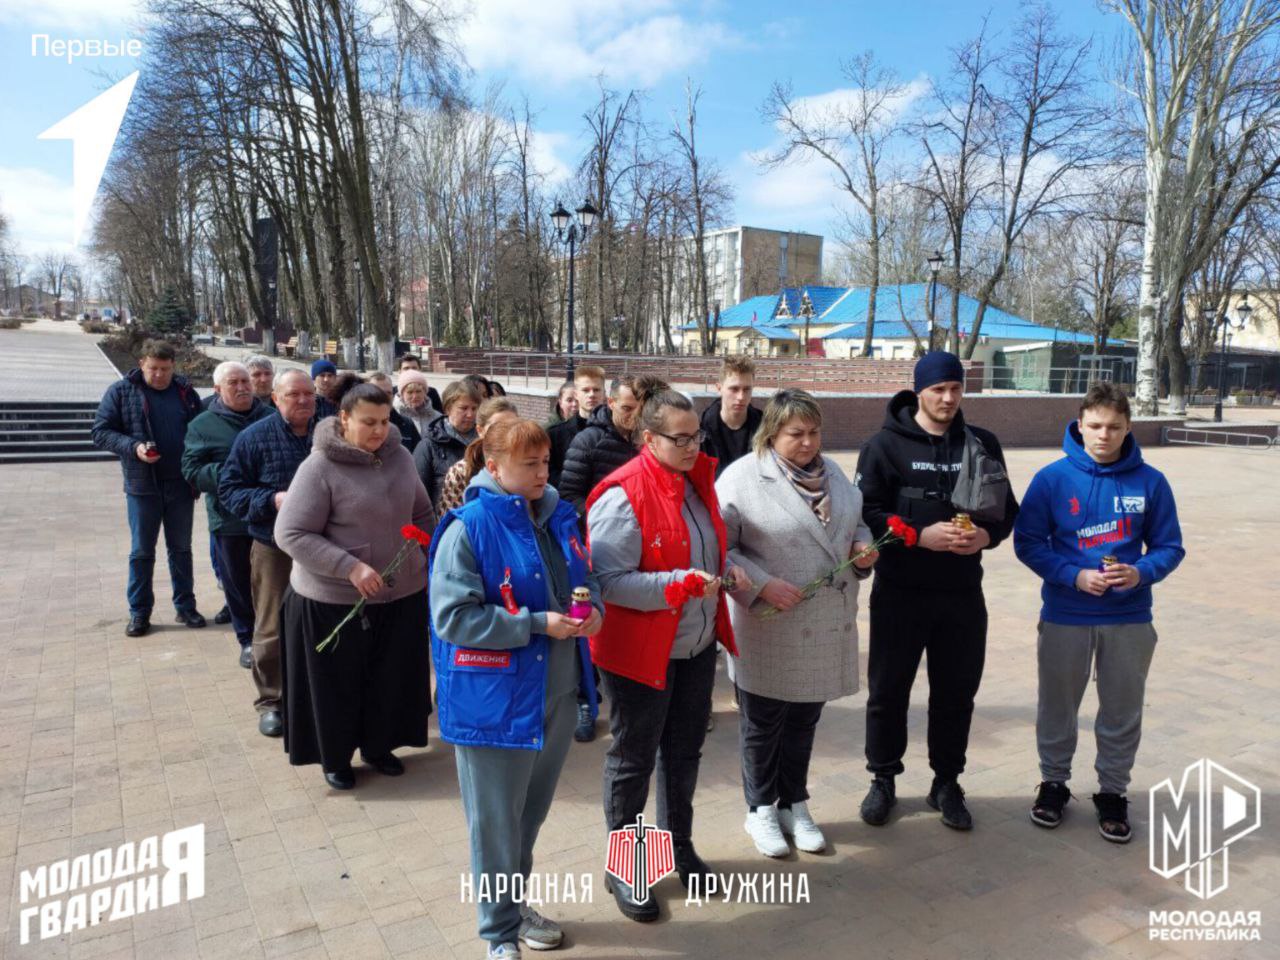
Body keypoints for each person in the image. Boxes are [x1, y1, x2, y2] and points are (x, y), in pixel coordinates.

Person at [430, 419, 603, 960]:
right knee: (495, 825)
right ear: (494, 466)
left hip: (552, 693)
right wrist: (534, 624)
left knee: (527, 816)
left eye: (546, 461)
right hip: (496, 702)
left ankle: (512, 905)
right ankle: (498, 933)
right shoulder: (471, 526)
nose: (542, 472)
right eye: (530, 464)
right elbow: (452, 617)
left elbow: (584, 578)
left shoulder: (556, 516)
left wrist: (591, 612)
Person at [586, 389, 751, 921]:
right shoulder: (623, 494)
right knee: (634, 759)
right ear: (647, 438)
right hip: (639, 653)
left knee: (683, 754)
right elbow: (607, 581)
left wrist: (729, 571)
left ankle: (678, 848)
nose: (690, 446)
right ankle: (627, 867)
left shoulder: (697, 482)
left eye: (695, 436)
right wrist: (676, 584)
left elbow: (704, 550)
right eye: (678, 439)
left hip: (694, 645)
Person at [854, 351, 1019, 831]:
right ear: (919, 391)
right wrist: (916, 535)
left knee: (956, 693)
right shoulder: (883, 446)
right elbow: (866, 513)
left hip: (961, 594)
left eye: (956, 389)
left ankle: (946, 781)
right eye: (938, 389)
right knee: (887, 692)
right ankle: (882, 778)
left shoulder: (980, 443)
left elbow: (1007, 510)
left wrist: (985, 537)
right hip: (900, 592)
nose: (948, 398)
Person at [1014, 382, 1184, 843]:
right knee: (1058, 706)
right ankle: (1053, 784)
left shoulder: (1151, 481)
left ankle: (1113, 791)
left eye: (1113, 427)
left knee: (1122, 710)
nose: (1103, 435)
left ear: (1128, 427)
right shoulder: (1052, 479)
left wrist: (1141, 572)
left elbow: (1170, 546)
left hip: (1129, 616)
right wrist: (1073, 576)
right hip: (1067, 614)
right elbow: (1028, 543)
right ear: (1079, 424)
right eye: (1094, 426)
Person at [717, 389, 877, 857]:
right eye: (795, 434)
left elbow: (857, 523)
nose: (808, 443)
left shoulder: (833, 474)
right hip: (770, 623)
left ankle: (794, 802)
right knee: (763, 722)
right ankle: (760, 808)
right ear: (772, 434)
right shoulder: (743, 478)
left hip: (824, 621)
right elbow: (719, 549)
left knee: (804, 719)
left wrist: (862, 550)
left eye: (814, 432)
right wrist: (762, 584)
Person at [276, 374, 435, 790]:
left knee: (388, 677)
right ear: (344, 419)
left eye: (384, 421)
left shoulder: (400, 457)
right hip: (334, 600)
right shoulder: (320, 466)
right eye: (369, 422)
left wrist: (421, 553)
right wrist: (349, 566)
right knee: (338, 684)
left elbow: (420, 513)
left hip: (399, 593)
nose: (379, 431)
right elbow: (291, 534)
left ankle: (380, 746)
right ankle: (337, 757)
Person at [218, 369, 319, 738]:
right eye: (294, 395)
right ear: (275, 398)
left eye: (309, 394)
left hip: (325, 545)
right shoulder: (253, 438)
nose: (304, 400)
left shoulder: (330, 433)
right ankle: (272, 701)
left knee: (322, 620)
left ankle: (314, 692)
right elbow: (229, 491)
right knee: (272, 625)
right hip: (274, 545)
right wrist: (272, 500)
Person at [91, 339, 206, 637]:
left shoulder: (185, 392)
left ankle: (185, 606)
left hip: (181, 485)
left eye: (165, 369)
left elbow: (199, 430)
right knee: (142, 552)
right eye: (153, 368)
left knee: (181, 549)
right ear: (142, 363)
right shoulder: (121, 391)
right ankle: (140, 612)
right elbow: (101, 432)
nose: (159, 375)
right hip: (143, 486)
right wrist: (134, 447)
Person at [181, 362, 274, 667]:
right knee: (238, 582)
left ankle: (274, 636)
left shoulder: (272, 416)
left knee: (273, 582)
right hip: (230, 519)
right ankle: (247, 639)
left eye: (245, 381)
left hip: (271, 516)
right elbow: (192, 470)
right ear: (218, 389)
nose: (243, 387)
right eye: (234, 382)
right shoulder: (202, 425)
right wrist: (231, 471)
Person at [559, 375, 666, 514]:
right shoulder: (588, 441)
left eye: (640, 409)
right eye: (627, 408)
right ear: (611, 403)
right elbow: (569, 495)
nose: (635, 416)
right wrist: (603, 520)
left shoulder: (651, 439)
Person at [436, 397, 519, 513]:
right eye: (497, 427)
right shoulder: (461, 471)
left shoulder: (527, 465)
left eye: (512, 427)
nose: (506, 433)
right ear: (480, 431)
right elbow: (452, 520)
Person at [414, 380, 482, 507]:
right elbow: (419, 495)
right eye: (463, 408)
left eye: (474, 408)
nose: (470, 414)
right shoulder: (428, 446)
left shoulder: (484, 442)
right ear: (448, 409)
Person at [701, 355, 763, 479]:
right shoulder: (701, 432)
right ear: (719, 388)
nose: (741, 397)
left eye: (747, 389)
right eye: (734, 389)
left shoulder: (765, 428)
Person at [546, 364, 605, 488]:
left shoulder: (618, 433)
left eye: (596, 389)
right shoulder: (555, 435)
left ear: (604, 394)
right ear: (577, 394)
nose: (591, 394)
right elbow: (549, 474)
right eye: (586, 390)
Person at [365, 371, 421, 452]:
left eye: (388, 393)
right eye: (377, 392)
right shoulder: (359, 425)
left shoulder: (407, 424)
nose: (384, 397)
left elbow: (417, 458)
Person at [395, 369, 441, 436]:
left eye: (418, 391)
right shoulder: (393, 415)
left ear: (425, 393)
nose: (415, 396)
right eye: (410, 392)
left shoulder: (437, 418)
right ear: (402, 395)